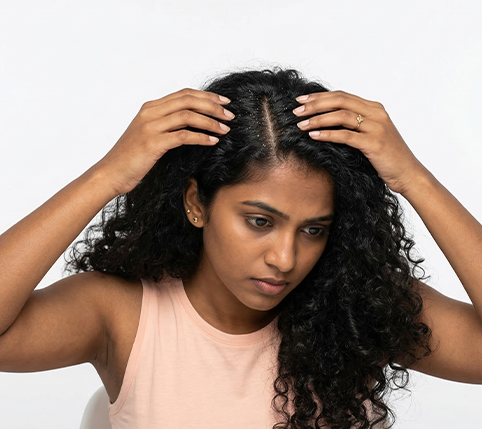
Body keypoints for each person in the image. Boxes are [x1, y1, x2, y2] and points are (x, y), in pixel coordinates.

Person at [0, 68, 481, 429]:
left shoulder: (361, 309)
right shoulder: (122, 315)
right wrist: (107, 176)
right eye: (259, 222)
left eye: (314, 229)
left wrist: (414, 179)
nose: (284, 258)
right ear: (197, 203)